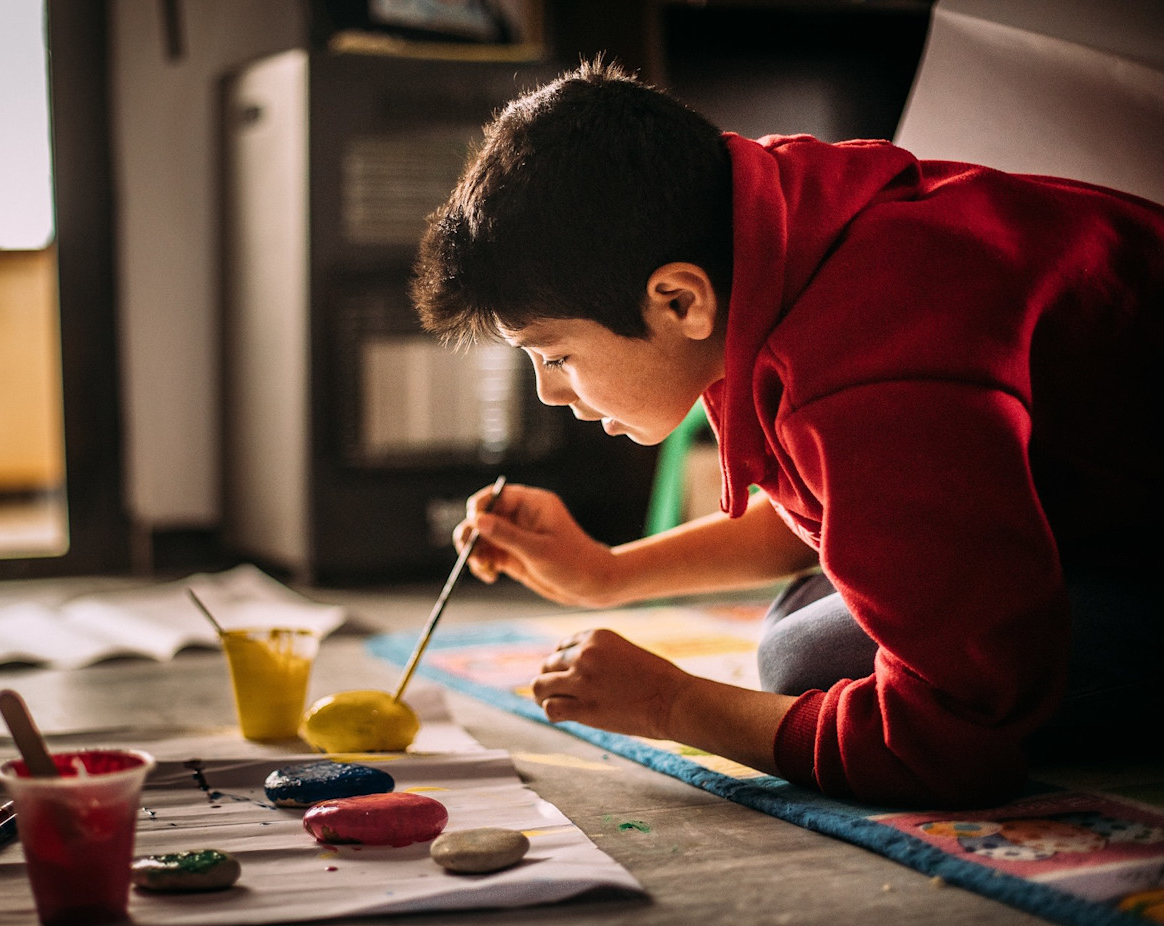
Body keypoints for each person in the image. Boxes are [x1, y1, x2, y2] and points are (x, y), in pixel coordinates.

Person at [409, 57, 1163, 807]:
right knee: (806, 634)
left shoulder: (874, 356)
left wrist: (674, 705)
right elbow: (846, 500)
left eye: (557, 354)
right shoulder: (760, 222)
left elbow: (953, 742)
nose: (550, 391)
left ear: (678, 301)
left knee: (804, 661)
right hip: (1100, 521)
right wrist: (608, 573)